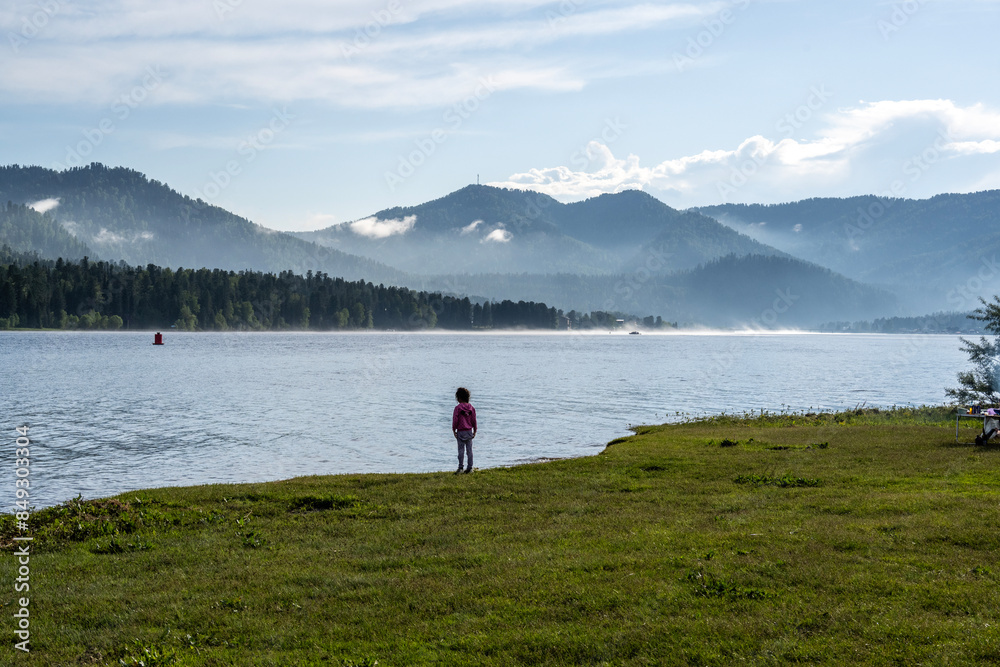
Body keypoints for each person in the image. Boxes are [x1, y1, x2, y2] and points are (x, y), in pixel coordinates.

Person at [452, 387, 477, 474]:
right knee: (469, 450)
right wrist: (475, 430)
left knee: (461, 450)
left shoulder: (457, 408)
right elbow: (474, 420)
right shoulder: (471, 408)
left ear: (458, 398)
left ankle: (460, 467)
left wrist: (453, 429)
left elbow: (455, 419)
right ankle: (470, 468)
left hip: (460, 431)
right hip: (469, 431)